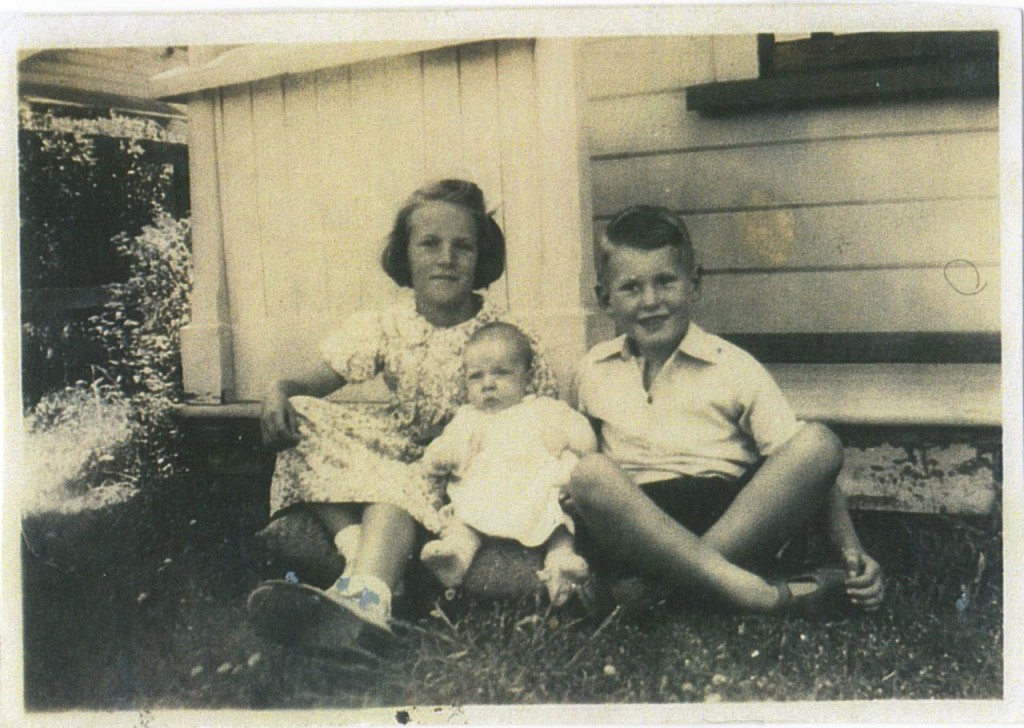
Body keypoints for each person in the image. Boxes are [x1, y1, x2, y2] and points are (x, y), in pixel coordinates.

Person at [247, 180, 558, 645]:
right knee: (305, 416)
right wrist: (279, 389)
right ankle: (356, 554)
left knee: (395, 490)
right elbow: (317, 380)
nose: (446, 258)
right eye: (430, 244)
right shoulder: (388, 323)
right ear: (406, 254)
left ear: (482, 258)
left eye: (463, 246)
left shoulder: (505, 335)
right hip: (397, 445)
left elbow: (542, 412)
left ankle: (365, 596)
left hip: (462, 462)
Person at [566, 205, 884, 614]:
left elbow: (805, 468)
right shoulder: (592, 369)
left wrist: (852, 552)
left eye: (666, 282)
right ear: (604, 298)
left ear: (695, 283)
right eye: (631, 288)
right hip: (638, 528)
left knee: (819, 443)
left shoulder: (732, 366)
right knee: (589, 473)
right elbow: (572, 452)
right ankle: (757, 593)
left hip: (725, 520)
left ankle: (660, 592)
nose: (651, 301)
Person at [419, 322, 597, 606]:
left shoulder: (544, 410)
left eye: (501, 373)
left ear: (526, 379)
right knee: (463, 521)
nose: (488, 384)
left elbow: (582, 435)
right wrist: (442, 456)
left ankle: (561, 564)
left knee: (558, 524)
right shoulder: (468, 417)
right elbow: (441, 448)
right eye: (476, 377)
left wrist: (569, 438)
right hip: (485, 490)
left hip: (534, 491)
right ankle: (455, 558)